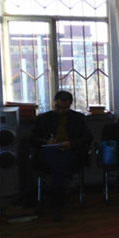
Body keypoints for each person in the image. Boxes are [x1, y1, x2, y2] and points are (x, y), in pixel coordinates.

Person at [31, 90, 93, 221]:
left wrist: (71, 144)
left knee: (59, 163)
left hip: (70, 152)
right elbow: (33, 139)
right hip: (49, 152)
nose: (61, 110)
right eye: (58, 107)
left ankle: (55, 204)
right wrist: (46, 141)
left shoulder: (78, 118)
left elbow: (87, 138)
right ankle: (64, 186)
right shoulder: (44, 118)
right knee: (56, 158)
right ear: (54, 103)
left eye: (65, 108)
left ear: (70, 105)